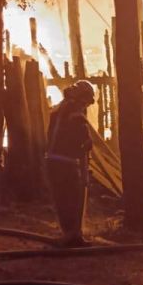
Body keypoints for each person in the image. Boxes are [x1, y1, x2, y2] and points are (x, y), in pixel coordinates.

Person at [45, 80, 97, 247]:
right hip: (65, 162)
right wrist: (86, 142)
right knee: (73, 198)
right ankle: (72, 234)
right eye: (87, 102)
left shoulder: (59, 108)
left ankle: (72, 234)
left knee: (63, 199)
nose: (86, 107)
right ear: (83, 98)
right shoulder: (73, 111)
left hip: (54, 160)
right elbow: (81, 134)